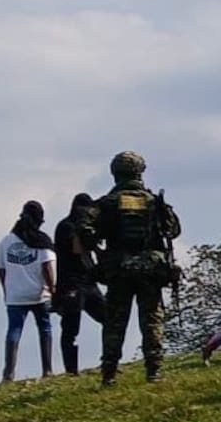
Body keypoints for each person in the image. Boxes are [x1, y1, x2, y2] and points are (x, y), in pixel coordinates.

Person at [77, 151, 182, 385]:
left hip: (119, 269)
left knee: (115, 321)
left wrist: (97, 254)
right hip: (150, 270)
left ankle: (109, 373)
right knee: (152, 320)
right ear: (139, 172)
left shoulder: (107, 203)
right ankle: (154, 371)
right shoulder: (155, 202)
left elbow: (84, 229)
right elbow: (173, 230)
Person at [0, 201, 56, 381]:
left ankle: (8, 373)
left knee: (14, 330)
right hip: (39, 294)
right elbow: (47, 268)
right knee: (45, 329)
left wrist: (6, 290)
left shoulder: (7, 241)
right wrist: (53, 289)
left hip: (15, 296)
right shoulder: (42, 240)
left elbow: (1, 269)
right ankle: (47, 370)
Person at [53, 193, 106, 375]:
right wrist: (82, 231)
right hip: (71, 283)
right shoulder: (66, 226)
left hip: (89, 282)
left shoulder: (84, 226)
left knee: (109, 319)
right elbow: (77, 249)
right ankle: (71, 370)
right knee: (71, 328)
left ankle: (108, 360)